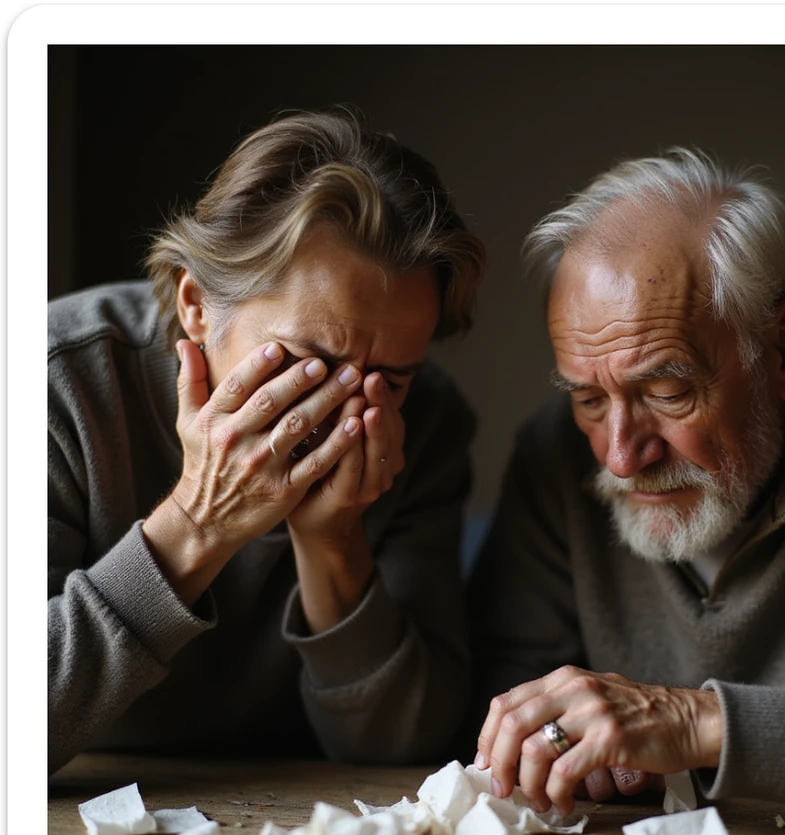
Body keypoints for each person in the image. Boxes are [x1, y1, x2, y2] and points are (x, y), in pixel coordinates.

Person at [469, 147, 785, 835]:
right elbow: (502, 688)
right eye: (588, 399)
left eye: (668, 391)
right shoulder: (555, 456)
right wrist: (565, 750)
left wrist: (699, 724)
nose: (619, 458)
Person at [48, 108, 486, 775]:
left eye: (389, 379)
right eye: (304, 366)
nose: (342, 414)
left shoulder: (424, 423)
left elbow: (407, 748)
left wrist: (336, 542)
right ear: (196, 305)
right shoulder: (61, 385)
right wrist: (200, 520)